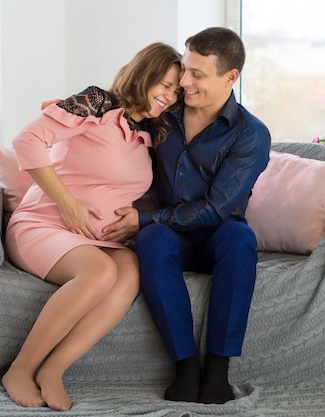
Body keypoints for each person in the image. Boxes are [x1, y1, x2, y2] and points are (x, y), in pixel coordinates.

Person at [1, 42, 182, 411]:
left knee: (131, 272)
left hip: (96, 241)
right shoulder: (97, 102)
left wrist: (134, 222)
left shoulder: (147, 134)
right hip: (43, 224)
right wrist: (67, 204)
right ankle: (20, 369)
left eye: (176, 91)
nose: (168, 96)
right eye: (164, 84)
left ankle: (53, 369)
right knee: (99, 272)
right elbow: (27, 140)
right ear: (143, 74)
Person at [102, 27, 272, 404]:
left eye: (198, 74)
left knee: (240, 237)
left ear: (231, 77)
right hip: (171, 237)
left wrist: (144, 218)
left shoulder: (250, 135)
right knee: (152, 239)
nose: (185, 81)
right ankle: (184, 367)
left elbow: (216, 208)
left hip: (218, 235)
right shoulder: (163, 114)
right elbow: (115, 115)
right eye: (186, 68)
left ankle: (217, 369)